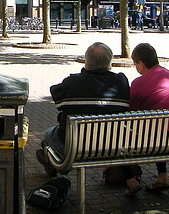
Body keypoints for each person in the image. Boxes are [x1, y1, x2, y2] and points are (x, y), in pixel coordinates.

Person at [37, 42, 130, 177]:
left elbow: (58, 101)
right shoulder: (121, 81)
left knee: (49, 133)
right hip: (112, 146)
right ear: (110, 63)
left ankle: (57, 164)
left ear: (86, 63)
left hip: (76, 147)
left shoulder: (73, 83)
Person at [119, 43, 169, 197]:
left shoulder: (139, 82)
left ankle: (131, 182)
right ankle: (162, 177)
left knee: (119, 137)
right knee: (160, 128)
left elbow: (131, 113)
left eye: (135, 64)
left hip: (156, 141)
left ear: (141, 64)